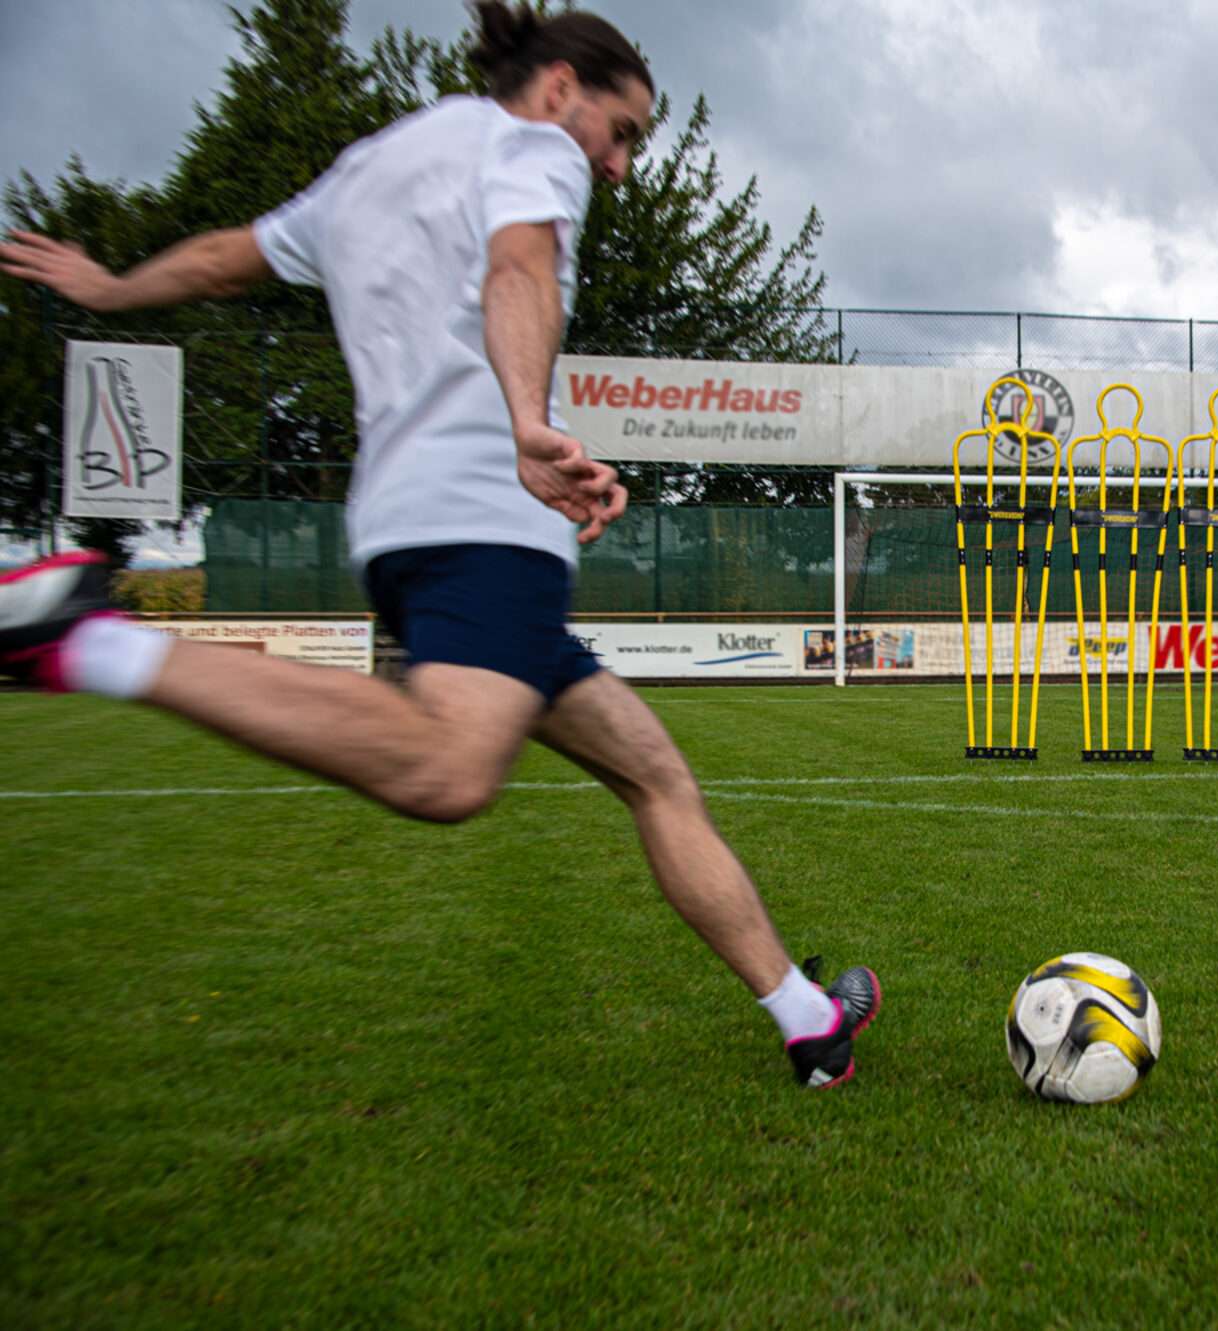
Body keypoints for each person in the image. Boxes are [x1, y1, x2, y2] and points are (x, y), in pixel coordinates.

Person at [0, 2, 877, 1090]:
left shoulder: (370, 167)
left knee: (654, 772)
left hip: (409, 524)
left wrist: (111, 286)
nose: (617, 165)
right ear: (559, 87)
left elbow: (232, 257)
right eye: (623, 132)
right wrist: (523, 420)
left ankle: (807, 1019)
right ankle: (88, 643)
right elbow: (520, 272)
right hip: (481, 512)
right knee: (451, 767)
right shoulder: (530, 147)